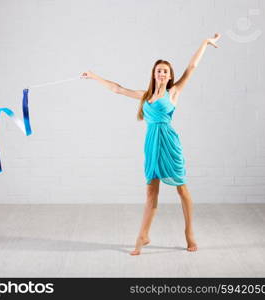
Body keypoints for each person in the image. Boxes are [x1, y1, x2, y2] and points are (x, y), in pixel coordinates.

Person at [81, 33, 221, 255]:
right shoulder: (144, 96)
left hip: (169, 143)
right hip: (152, 144)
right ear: (154, 74)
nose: (162, 73)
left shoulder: (173, 92)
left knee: (182, 189)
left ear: (169, 75)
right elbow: (117, 88)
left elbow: (192, 67)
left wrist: (205, 43)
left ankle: (189, 232)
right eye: (159, 70)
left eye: (165, 71)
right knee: (150, 192)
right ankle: (143, 235)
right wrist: (93, 76)